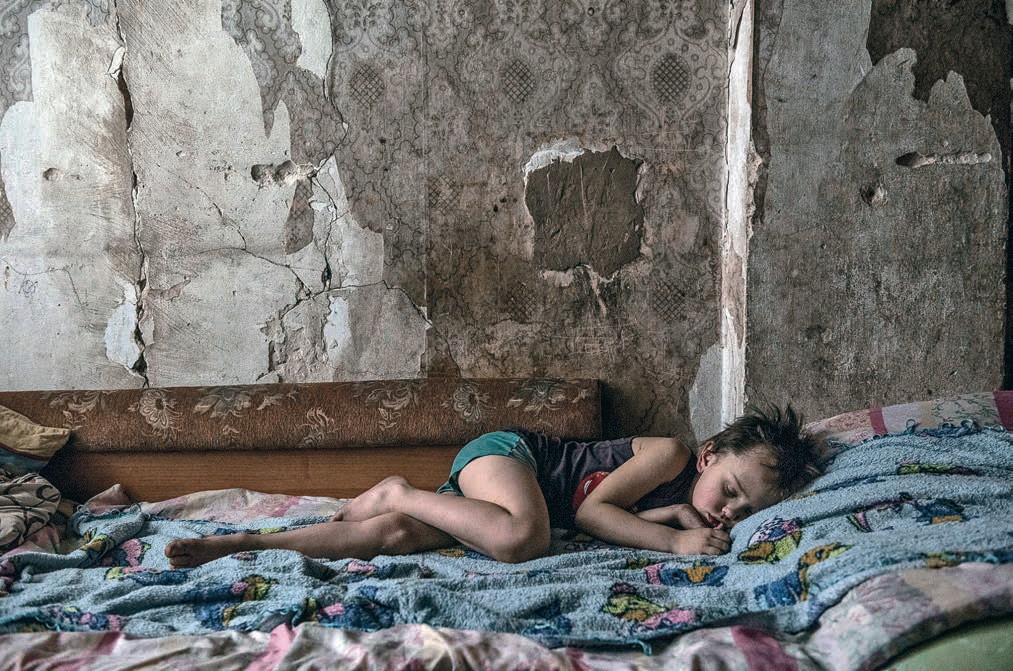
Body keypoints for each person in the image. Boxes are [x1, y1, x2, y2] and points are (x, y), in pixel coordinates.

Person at [165, 405, 824, 568]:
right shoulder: (671, 453)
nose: (729, 510)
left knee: (387, 538)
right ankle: (398, 488)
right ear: (709, 454)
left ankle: (247, 542)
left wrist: (675, 518)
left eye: (744, 510)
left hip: (507, 498)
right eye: (730, 488)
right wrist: (675, 542)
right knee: (523, 539)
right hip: (512, 457)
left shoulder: (685, 499)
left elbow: (611, 520)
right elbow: (593, 512)